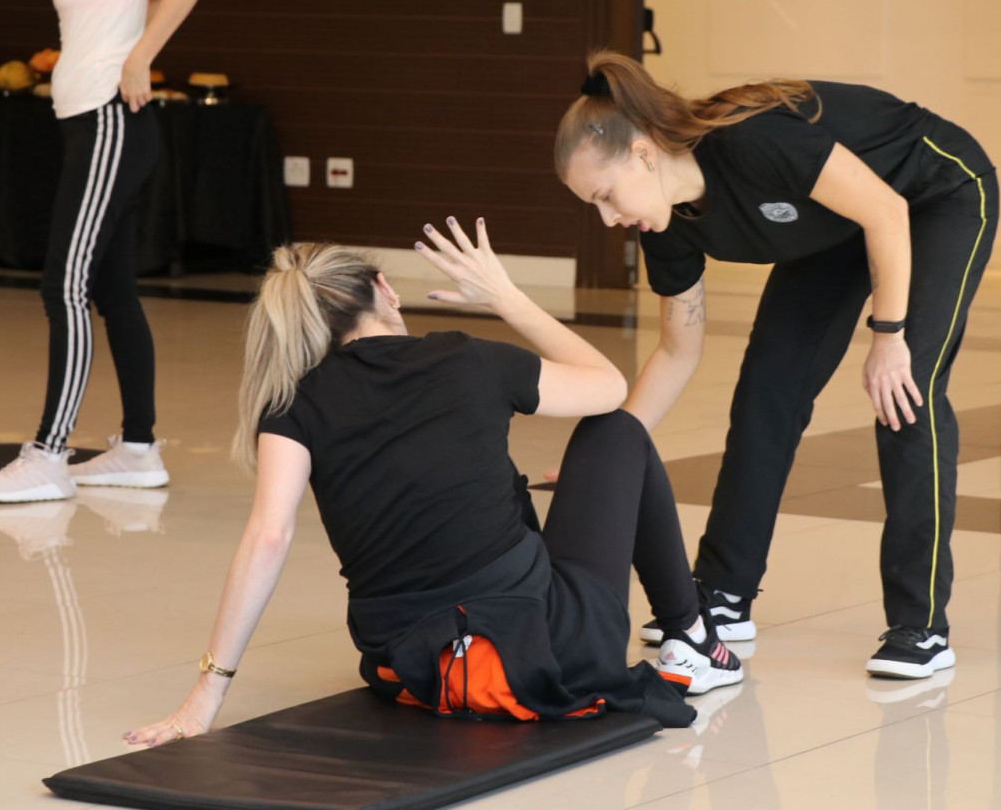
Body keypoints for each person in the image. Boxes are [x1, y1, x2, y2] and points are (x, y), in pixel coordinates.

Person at [124, 220, 742, 747]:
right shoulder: (465, 357)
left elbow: (267, 537)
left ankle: (682, 634)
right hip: (543, 648)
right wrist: (504, 297)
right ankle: (689, 636)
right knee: (618, 430)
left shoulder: (292, 405)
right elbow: (608, 388)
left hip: (412, 667)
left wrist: (206, 696)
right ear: (385, 289)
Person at [556, 52, 998, 680]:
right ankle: (725, 590)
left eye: (605, 196)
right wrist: (607, 450)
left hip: (933, 192)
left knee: (907, 388)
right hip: (837, 225)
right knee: (768, 389)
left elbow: (885, 211)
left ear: (643, 154)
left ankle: (920, 626)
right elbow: (678, 351)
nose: (608, 218)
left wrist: (888, 335)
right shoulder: (666, 227)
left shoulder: (751, 142)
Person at [0, 0, 213, 503]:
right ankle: (138, 450)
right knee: (111, 291)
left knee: (65, 286)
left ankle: (49, 455)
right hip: (93, 125)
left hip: (109, 123)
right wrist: (131, 42)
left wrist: (140, 56)